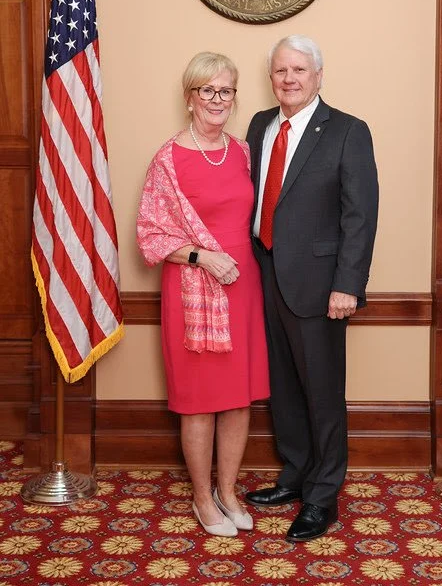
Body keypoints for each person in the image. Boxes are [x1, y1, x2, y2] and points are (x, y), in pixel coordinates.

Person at [245, 35, 378, 542]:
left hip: (321, 287)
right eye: (281, 70)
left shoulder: (347, 131)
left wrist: (347, 285)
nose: (290, 79)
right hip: (264, 275)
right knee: (283, 388)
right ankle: (296, 475)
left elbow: (360, 215)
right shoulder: (260, 124)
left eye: (299, 70)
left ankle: (322, 496)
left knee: (322, 393)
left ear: (318, 76)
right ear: (271, 78)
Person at [137, 51, 270, 537]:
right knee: (199, 400)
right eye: (207, 90)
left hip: (243, 287)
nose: (217, 99)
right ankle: (201, 497)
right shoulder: (168, 159)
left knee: (238, 399)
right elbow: (151, 235)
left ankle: (228, 492)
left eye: (226, 90)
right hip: (192, 292)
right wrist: (201, 257)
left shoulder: (243, 152)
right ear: (190, 97)